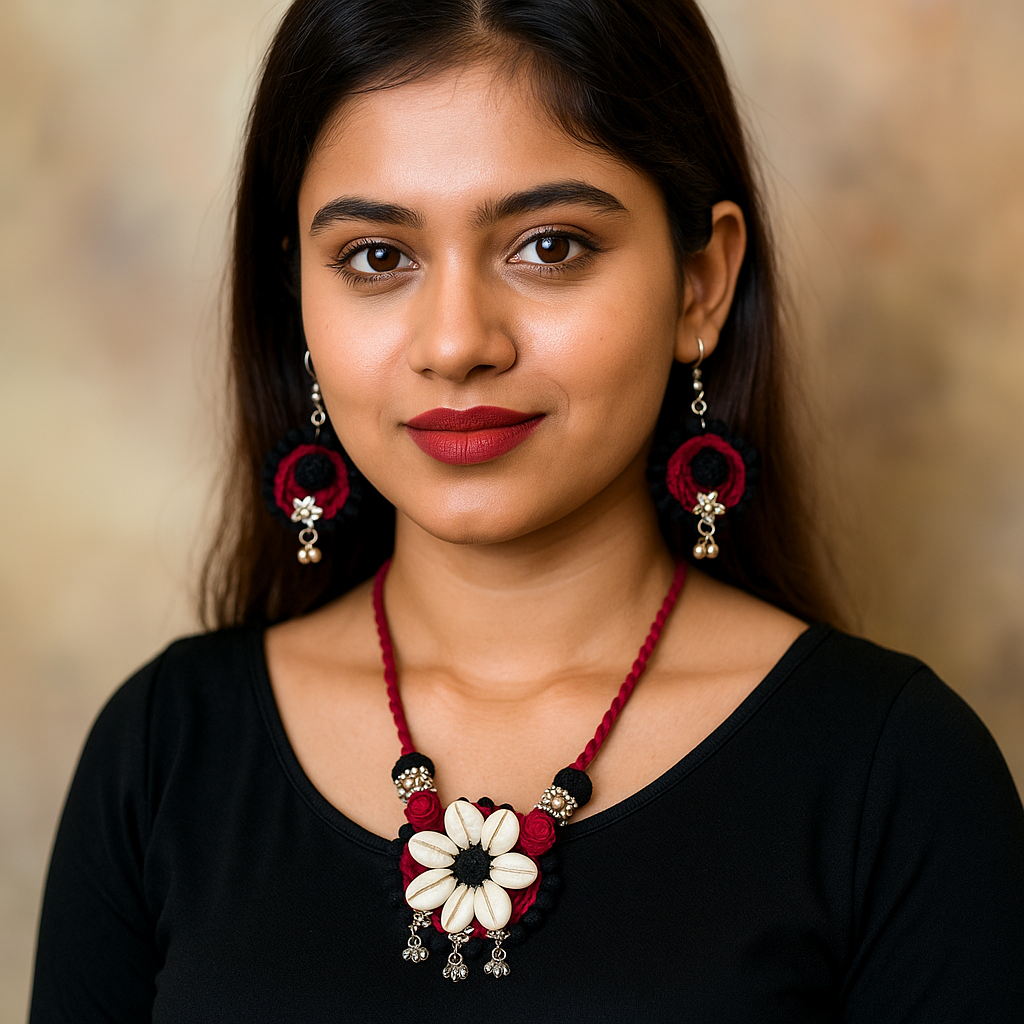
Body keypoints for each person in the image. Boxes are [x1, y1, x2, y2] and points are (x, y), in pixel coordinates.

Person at [30, 0, 1024, 1019]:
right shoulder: (161, 755)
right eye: (377, 256)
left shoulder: (896, 777)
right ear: (297, 303)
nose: (457, 342)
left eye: (548, 246)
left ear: (700, 284)